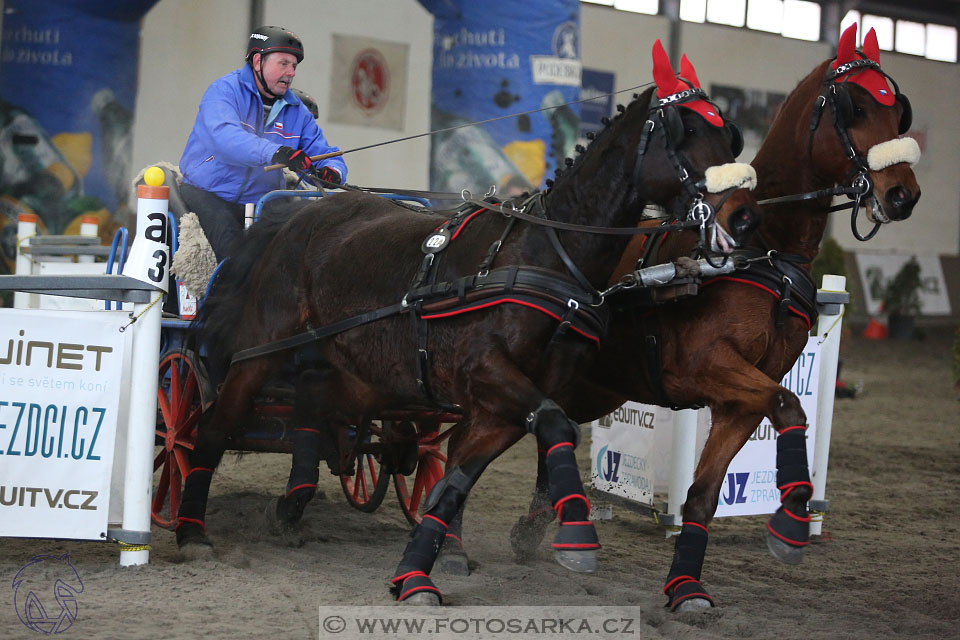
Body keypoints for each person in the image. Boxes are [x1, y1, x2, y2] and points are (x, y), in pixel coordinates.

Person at [178, 26, 347, 262]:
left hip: (262, 200)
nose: (291, 72)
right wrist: (277, 153)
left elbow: (325, 153)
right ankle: (224, 298)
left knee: (297, 250)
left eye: (295, 66)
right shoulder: (224, 90)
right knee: (233, 255)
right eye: (284, 63)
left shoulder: (298, 111)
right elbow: (225, 138)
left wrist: (331, 172)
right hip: (209, 193)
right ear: (258, 61)